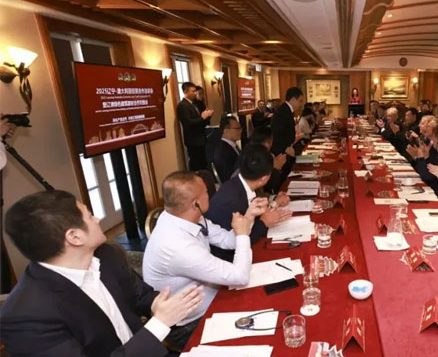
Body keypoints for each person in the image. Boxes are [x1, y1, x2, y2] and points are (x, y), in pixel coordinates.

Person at [1, 190, 204, 356]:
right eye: (89, 216)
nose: (97, 219)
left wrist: (157, 304)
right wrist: (160, 324)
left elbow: (140, 295)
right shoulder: (26, 316)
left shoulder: (106, 255)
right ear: (74, 237)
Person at [143, 172, 264, 348]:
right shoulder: (176, 245)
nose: (212, 193)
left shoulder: (183, 216)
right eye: (207, 192)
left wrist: (249, 216)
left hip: (211, 295)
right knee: (258, 328)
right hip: (188, 325)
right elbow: (240, 276)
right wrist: (243, 235)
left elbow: (228, 240)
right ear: (196, 204)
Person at [207, 144, 292, 249]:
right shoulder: (232, 200)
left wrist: (275, 202)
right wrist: (264, 223)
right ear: (264, 178)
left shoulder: (238, 184)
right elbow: (239, 240)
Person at [177, 82, 214, 171]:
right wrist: (202, 118)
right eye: (193, 91)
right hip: (193, 140)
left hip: (200, 138)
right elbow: (188, 122)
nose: (195, 93)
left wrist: (207, 116)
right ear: (185, 92)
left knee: (202, 162)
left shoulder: (193, 104)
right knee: (196, 164)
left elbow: (200, 120)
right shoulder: (183, 105)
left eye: (195, 91)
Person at [270, 87, 304, 156]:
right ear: (293, 99)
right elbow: (277, 134)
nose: (301, 104)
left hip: (286, 149)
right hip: (282, 152)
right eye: (300, 101)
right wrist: (286, 148)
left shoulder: (287, 110)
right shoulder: (283, 111)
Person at [213, 115, 242, 183]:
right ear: (226, 131)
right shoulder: (223, 151)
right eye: (237, 129)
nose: (240, 131)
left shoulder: (232, 146)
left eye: (240, 128)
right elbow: (229, 176)